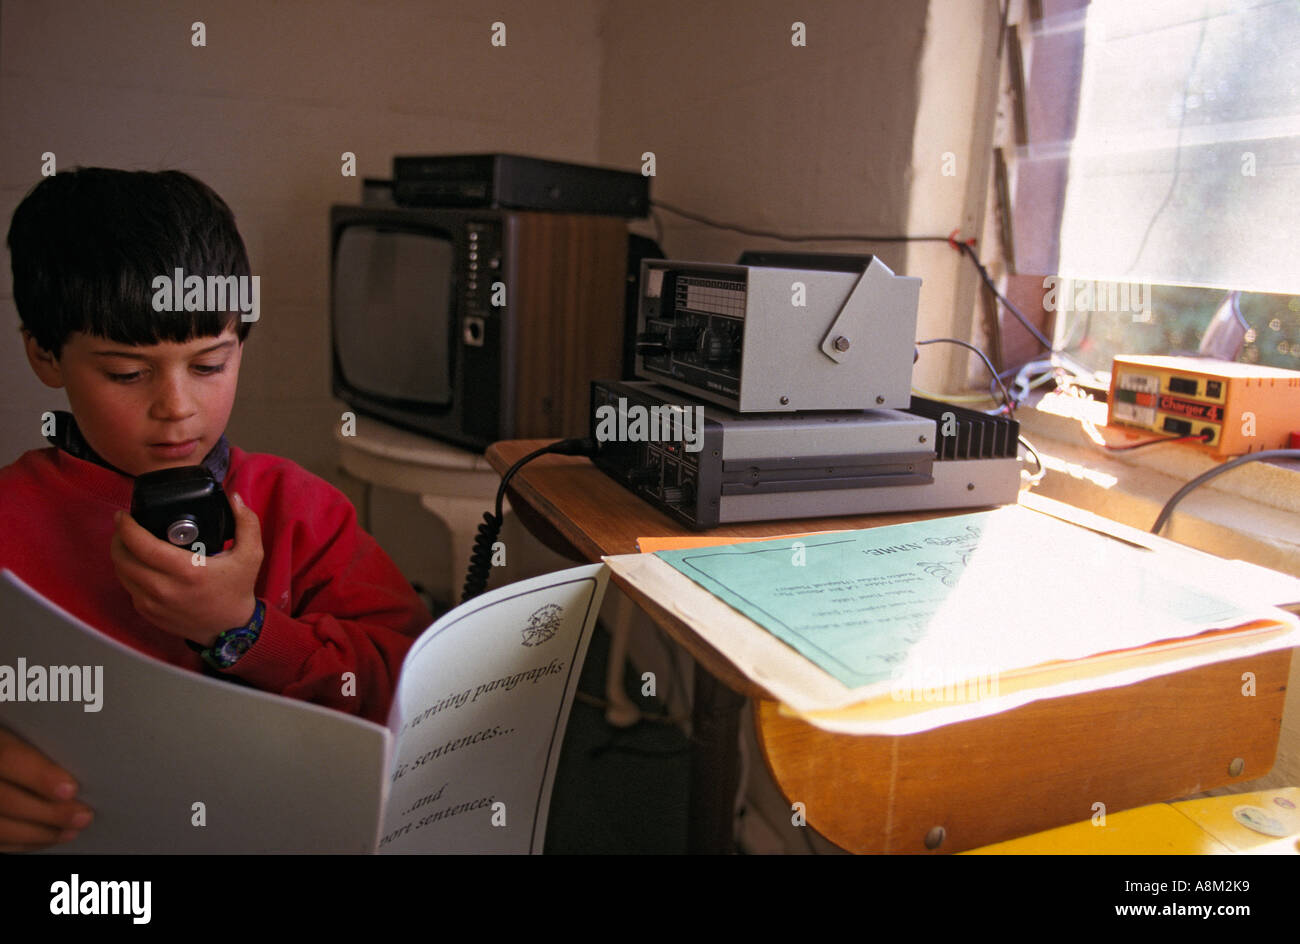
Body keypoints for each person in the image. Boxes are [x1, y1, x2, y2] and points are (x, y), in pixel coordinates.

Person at [0, 168, 433, 850]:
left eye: (209, 365)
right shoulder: (9, 523)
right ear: (44, 354)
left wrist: (244, 628)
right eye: (126, 373)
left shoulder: (302, 511)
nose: (177, 408)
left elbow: (415, 698)